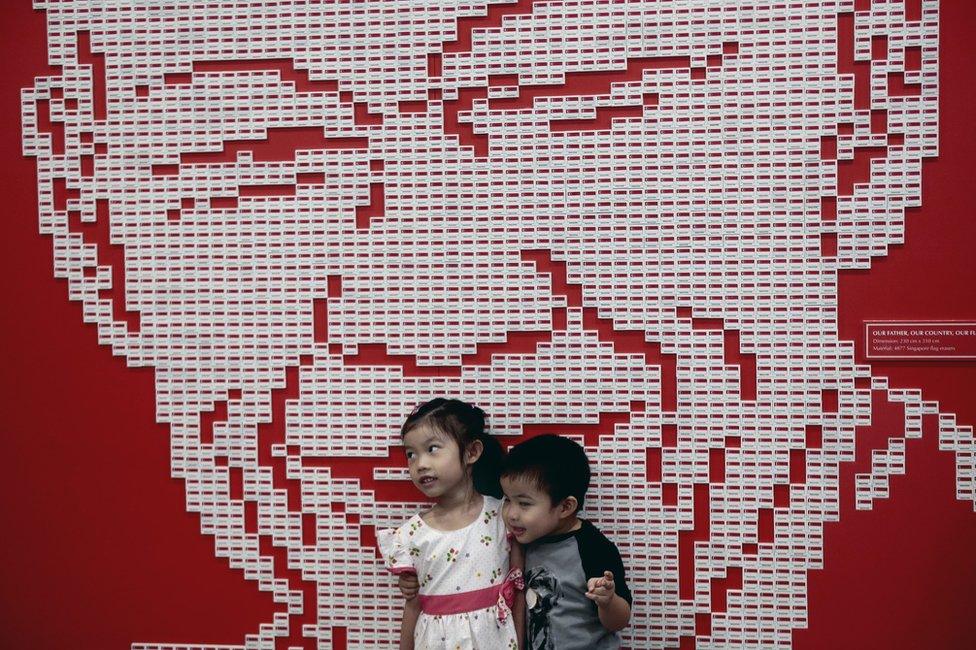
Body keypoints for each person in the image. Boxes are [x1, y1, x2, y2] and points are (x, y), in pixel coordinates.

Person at [377, 398, 524, 649]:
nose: (420, 464)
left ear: (471, 452)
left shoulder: (502, 516)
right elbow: (412, 606)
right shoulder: (411, 534)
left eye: (432, 448)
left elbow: (518, 590)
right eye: (411, 454)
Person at [501, 434, 631, 649]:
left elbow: (619, 622)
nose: (511, 514)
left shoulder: (592, 548)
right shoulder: (522, 541)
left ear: (565, 507)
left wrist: (607, 601)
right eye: (507, 500)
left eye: (524, 503)